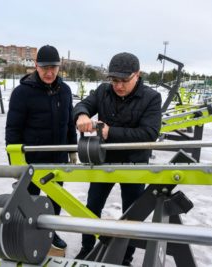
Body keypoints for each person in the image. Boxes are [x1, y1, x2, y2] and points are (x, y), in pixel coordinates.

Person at [73, 52, 162, 265]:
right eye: (114, 80)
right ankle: (87, 248)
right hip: (104, 161)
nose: (118, 86)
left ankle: (125, 256)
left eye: (124, 81)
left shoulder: (151, 98)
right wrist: (82, 115)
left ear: (137, 75)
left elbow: (149, 133)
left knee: (131, 213)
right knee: (92, 205)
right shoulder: (103, 91)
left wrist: (109, 132)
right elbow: (82, 105)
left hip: (134, 162)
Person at [5, 45, 77, 250]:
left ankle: (51, 232)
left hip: (58, 159)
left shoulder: (65, 90)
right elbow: (13, 130)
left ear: (59, 67)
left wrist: (72, 149)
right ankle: (26, 235)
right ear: (36, 66)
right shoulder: (22, 93)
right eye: (44, 67)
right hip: (32, 160)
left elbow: (69, 123)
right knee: (29, 202)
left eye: (53, 67)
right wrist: (15, 163)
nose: (49, 72)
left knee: (56, 199)